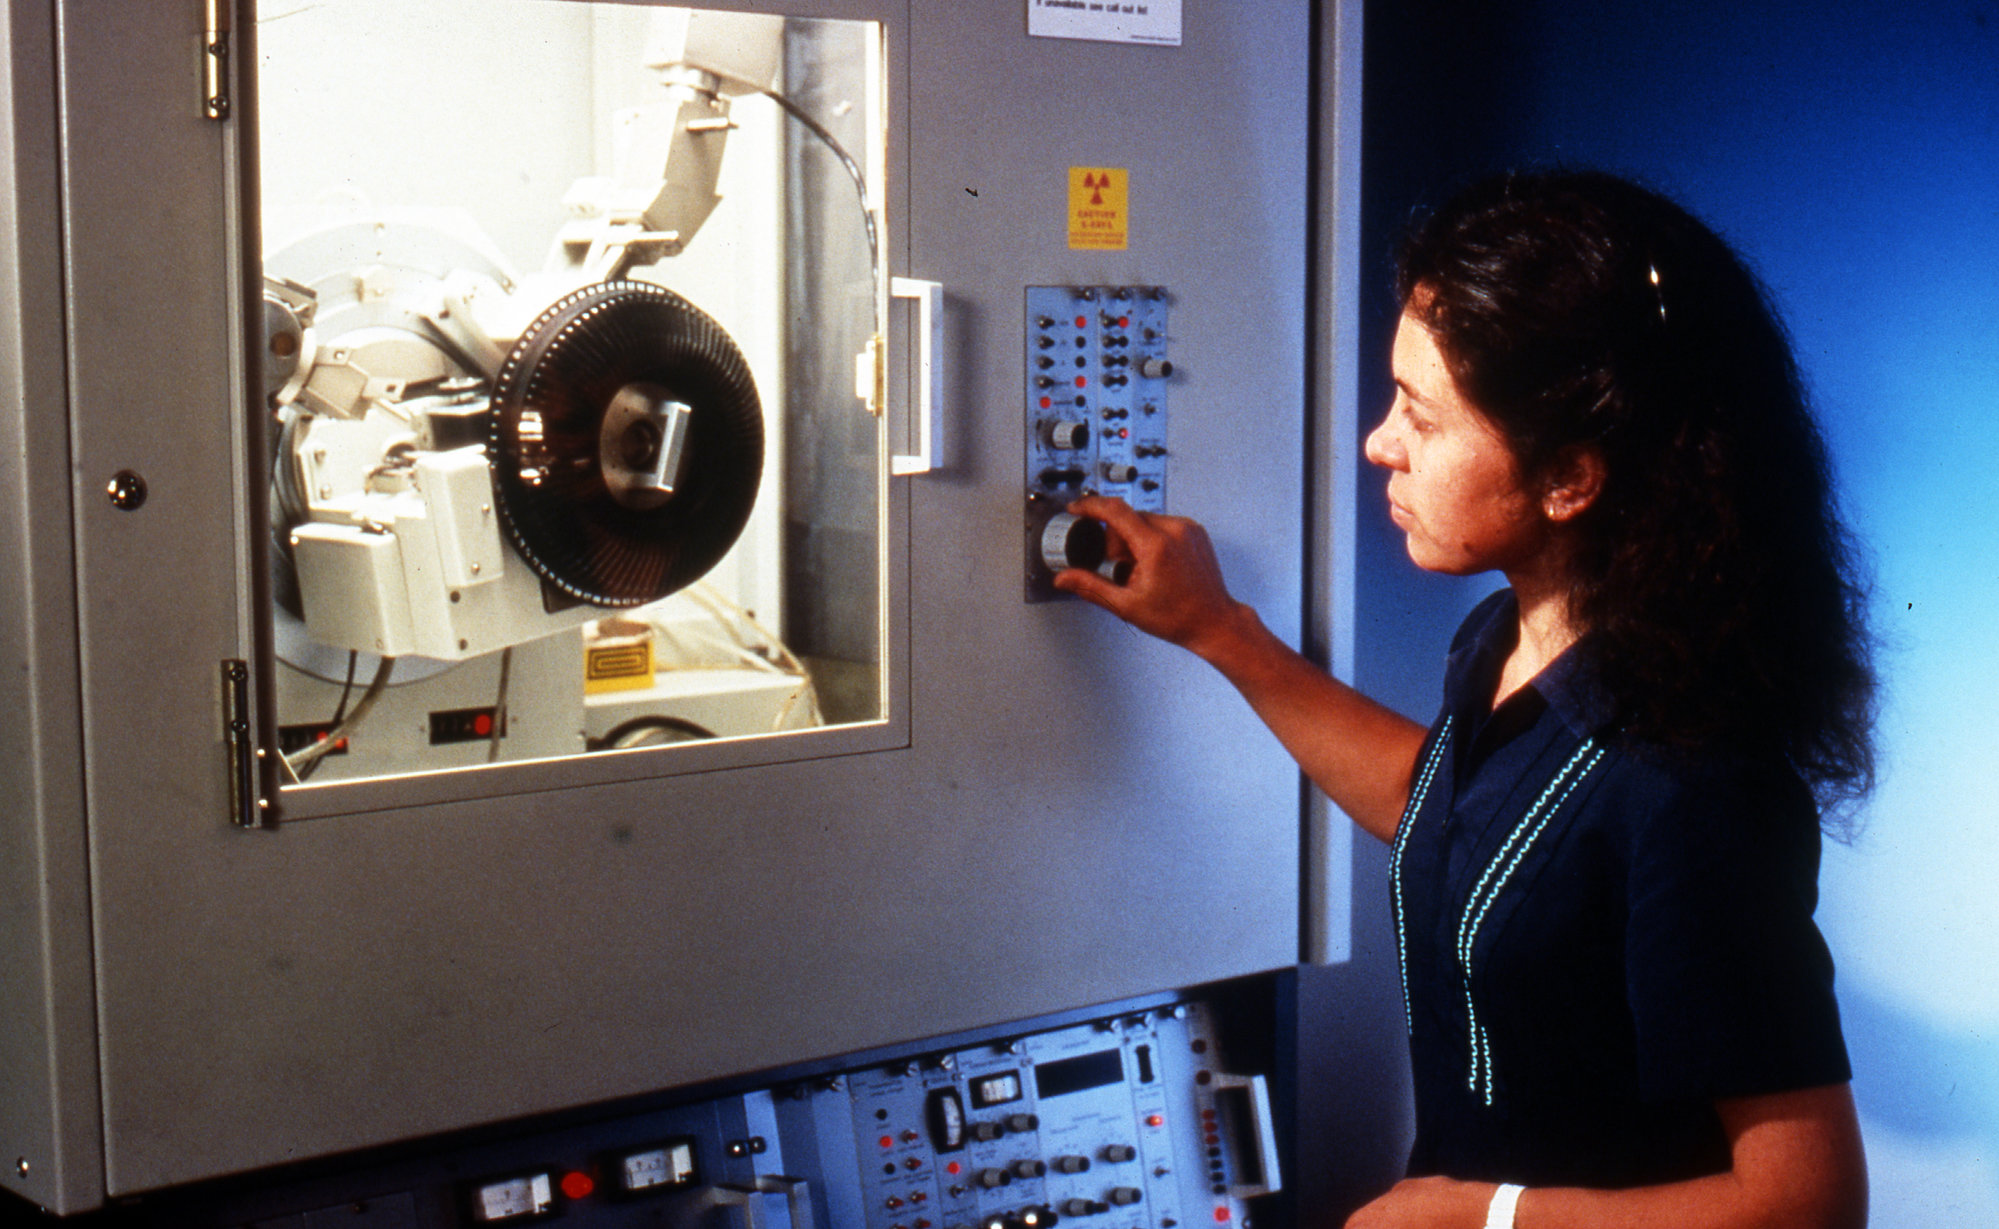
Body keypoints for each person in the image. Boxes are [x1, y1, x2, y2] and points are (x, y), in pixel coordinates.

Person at [1056, 170, 1873, 1229]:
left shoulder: (1693, 780)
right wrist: (1220, 630)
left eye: (1421, 416)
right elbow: (1461, 822)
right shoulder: (1504, 639)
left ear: (1568, 478)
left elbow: (1809, 1201)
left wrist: (1480, 1214)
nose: (1379, 442)